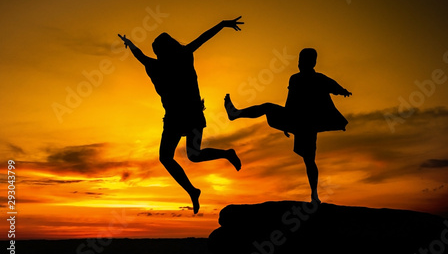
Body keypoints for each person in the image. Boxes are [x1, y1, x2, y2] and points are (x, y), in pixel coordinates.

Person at [118, 16, 244, 214]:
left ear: (161, 51)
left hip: (182, 116)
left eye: (157, 50)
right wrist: (222, 24)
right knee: (188, 156)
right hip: (185, 115)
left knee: (172, 157)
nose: (157, 53)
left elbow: (139, 54)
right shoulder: (181, 56)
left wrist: (129, 43)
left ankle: (197, 186)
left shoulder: (159, 64)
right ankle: (199, 185)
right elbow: (202, 38)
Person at [224, 48, 351, 203]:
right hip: (295, 118)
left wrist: (343, 91)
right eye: (299, 60)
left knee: (309, 160)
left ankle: (314, 195)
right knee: (267, 107)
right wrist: (286, 122)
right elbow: (291, 100)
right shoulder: (295, 78)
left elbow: (333, 86)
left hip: (307, 124)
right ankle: (235, 114)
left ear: (312, 62)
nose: (299, 64)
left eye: (302, 60)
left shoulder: (318, 78)